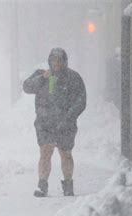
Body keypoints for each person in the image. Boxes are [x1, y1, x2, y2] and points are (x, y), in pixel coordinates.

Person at [23, 47, 86, 197]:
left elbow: (81, 100)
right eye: (53, 60)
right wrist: (42, 78)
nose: (56, 63)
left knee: (66, 154)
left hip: (66, 124)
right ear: (49, 61)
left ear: (64, 61)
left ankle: (68, 184)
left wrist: (69, 116)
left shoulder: (73, 78)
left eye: (59, 60)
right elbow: (26, 86)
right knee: (45, 153)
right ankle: (42, 185)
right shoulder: (42, 75)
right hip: (45, 123)